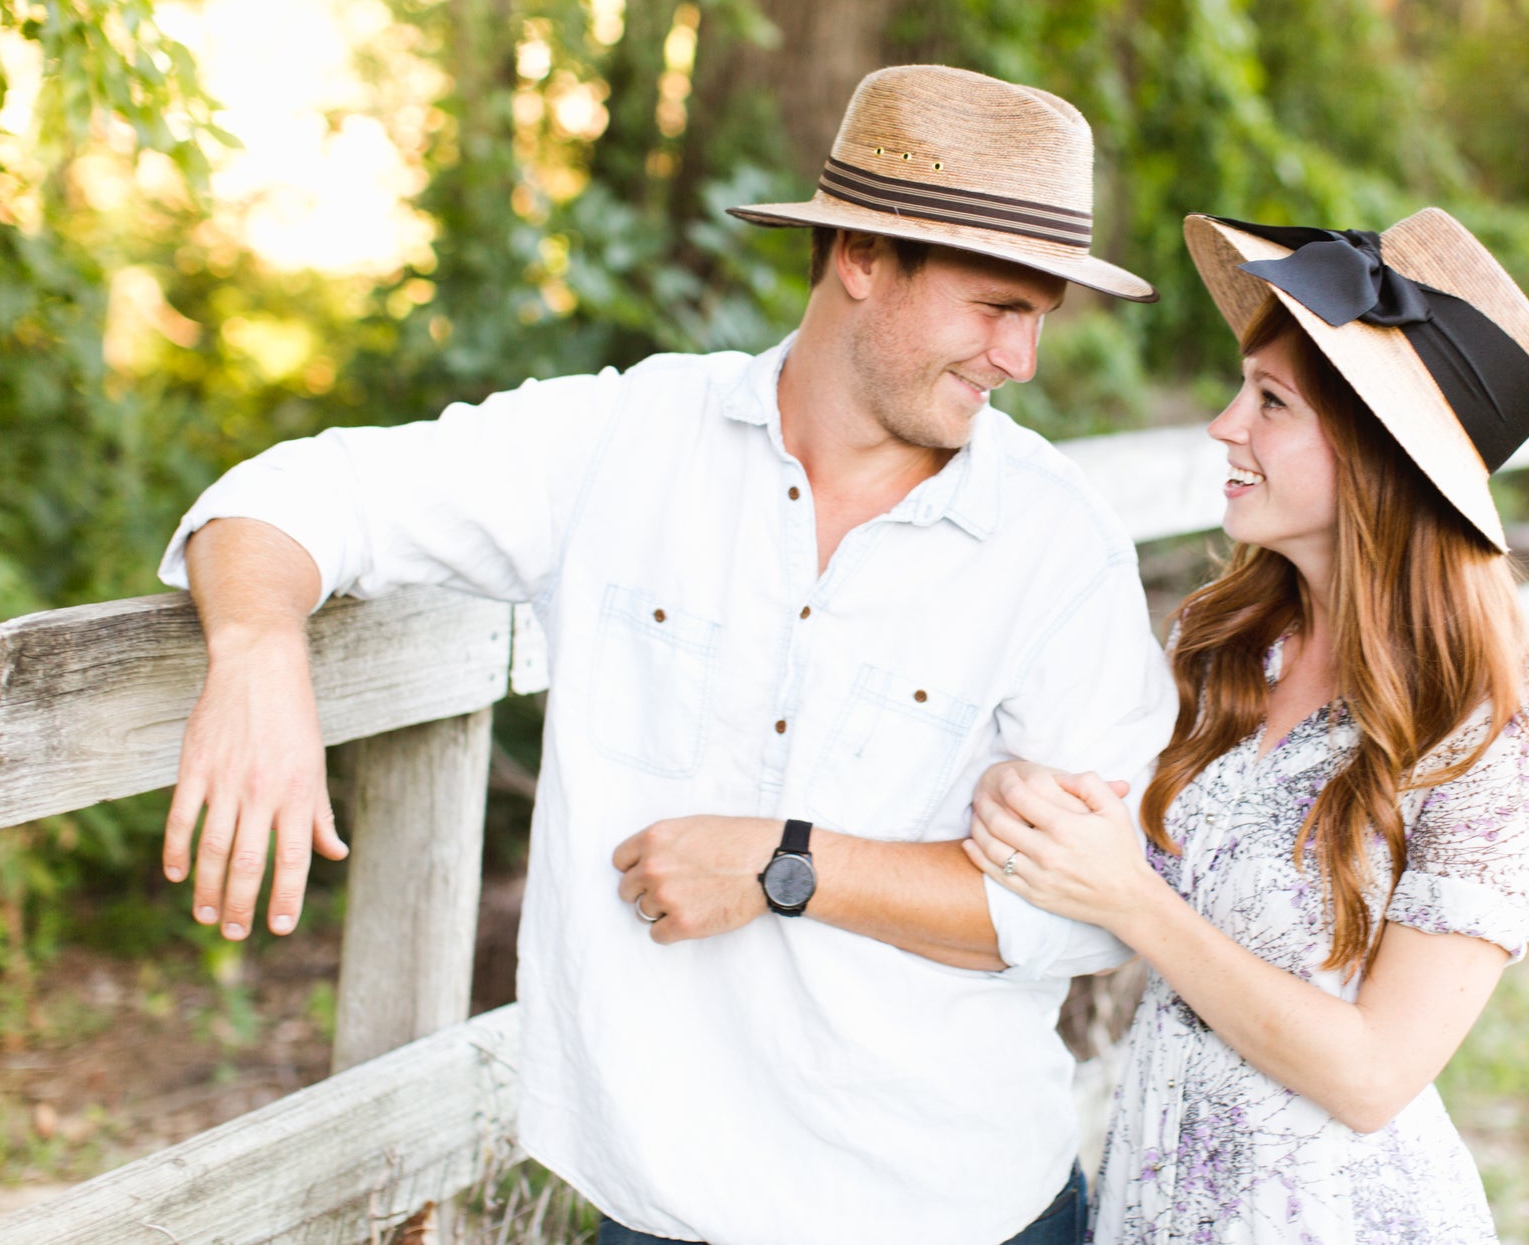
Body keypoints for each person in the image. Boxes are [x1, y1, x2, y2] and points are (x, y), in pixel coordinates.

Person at [154, 65, 1179, 1245]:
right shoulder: (626, 442)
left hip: (951, 1210)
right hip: (660, 1208)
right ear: (860, 256)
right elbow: (293, 496)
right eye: (997, 305)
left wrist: (791, 865)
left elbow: (1102, 909)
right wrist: (256, 654)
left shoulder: (1058, 548)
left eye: (1039, 314)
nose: (1022, 357)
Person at [965, 209, 1529, 1243]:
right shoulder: (1223, 648)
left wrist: (1127, 897)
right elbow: (1093, 833)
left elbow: (1373, 1073)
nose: (1222, 424)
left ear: (1373, 454)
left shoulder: (1496, 726)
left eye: (1269, 401)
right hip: (1150, 1194)